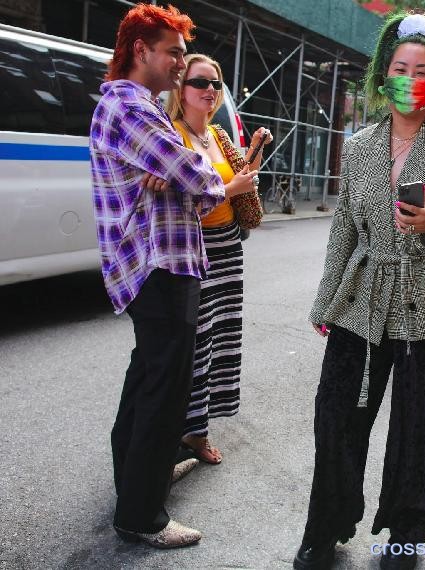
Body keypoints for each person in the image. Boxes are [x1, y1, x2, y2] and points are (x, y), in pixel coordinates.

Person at [293, 11, 425, 570]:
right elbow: (344, 230)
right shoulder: (358, 148)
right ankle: (325, 527)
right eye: (400, 68)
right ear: (384, 75)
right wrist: (325, 298)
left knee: (419, 431)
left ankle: (406, 538)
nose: (410, 78)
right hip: (361, 303)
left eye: (422, 69)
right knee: (336, 420)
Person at [89, 4, 251, 549]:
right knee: (163, 389)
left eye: (185, 54)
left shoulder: (139, 107)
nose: (182, 65)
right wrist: (186, 170)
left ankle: (144, 478)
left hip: (163, 263)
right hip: (157, 266)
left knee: (148, 381)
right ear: (141, 51)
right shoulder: (133, 108)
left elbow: (185, 173)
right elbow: (199, 173)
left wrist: (180, 173)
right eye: (174, 53)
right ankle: (141, 516)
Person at [164, 54, 272, 464]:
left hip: (228, 244)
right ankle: (183, 429)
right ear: (181, 89)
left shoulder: (217, 135)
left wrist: (256, 151)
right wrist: (231, 189)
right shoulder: (172, 136)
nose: (209, 91)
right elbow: (179, 199)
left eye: (215, 84)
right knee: (198, 340)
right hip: (195, 247)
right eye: (199, 83)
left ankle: (199, 430)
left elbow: (243, 177)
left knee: (224, 337)